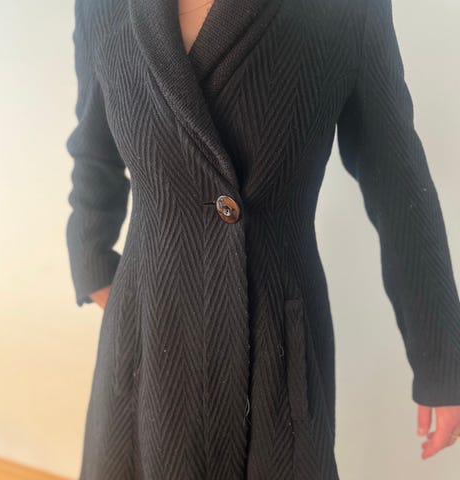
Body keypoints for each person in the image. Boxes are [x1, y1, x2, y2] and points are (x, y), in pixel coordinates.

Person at [65, 0, 460, 478]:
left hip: (275, 338)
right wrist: (92, 264)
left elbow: (397, 183)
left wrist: (442, 360)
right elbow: (94, 151)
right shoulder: (101, 6)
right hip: (146, 332)